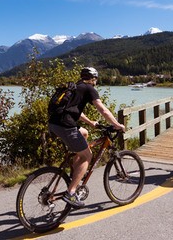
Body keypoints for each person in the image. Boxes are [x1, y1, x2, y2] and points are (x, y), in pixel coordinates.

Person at [48, 67, 125, 208]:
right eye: (95, 79)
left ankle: (74, 172)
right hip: (66, 126)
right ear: (93, 78)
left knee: (83, 133)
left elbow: (74, 111)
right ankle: (70, 193)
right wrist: (117, 124)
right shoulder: (89, 88)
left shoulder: (75, 87)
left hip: (53, 124)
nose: (95, 82)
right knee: (87, 156)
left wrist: (91, 123)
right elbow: (102, 109)